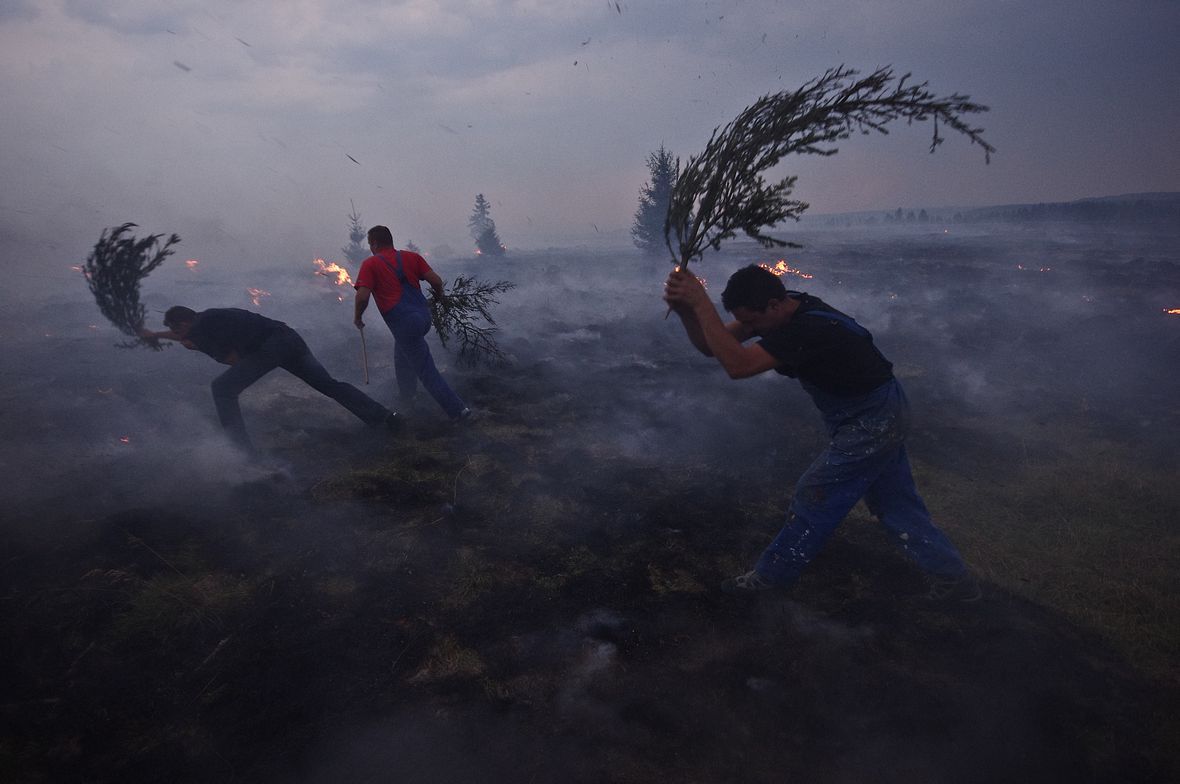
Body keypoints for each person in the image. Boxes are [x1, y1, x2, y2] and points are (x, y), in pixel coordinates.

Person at [663, 264, 980, 601]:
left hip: (873, 420)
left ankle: (770, 581)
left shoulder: (810, 328)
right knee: (895, 503)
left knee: (815, 494)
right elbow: (716, 347)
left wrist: (701, 303)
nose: (751, 330)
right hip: (875, 411)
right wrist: (687, 312)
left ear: (773, 305)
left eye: (753, 322)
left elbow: (739, 366)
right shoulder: (784, 310)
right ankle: (953, 579)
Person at [141, 306, 399, 452]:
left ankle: (241, 451)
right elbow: (184, 335)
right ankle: (384, 418)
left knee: (222, 388)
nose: (178, 334)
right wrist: (157, 335)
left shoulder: (204, 328)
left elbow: (231, 359)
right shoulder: (206, 320)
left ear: (186, 322)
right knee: (328, 385)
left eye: (178, 329)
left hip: (270, 347)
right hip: (288, 339)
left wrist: (197, 347)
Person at [353, 225, 471, 422]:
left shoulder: (370, 264)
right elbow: (436, 280)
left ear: (374, 244)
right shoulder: (411, 257)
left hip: (404, 324)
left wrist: (358, 317)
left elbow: (362, 296)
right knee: (402, 353)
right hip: (423, 317)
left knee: (426, 370)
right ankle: (408, 396)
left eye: (370, 244)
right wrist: (439, 297)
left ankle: (459, 411)